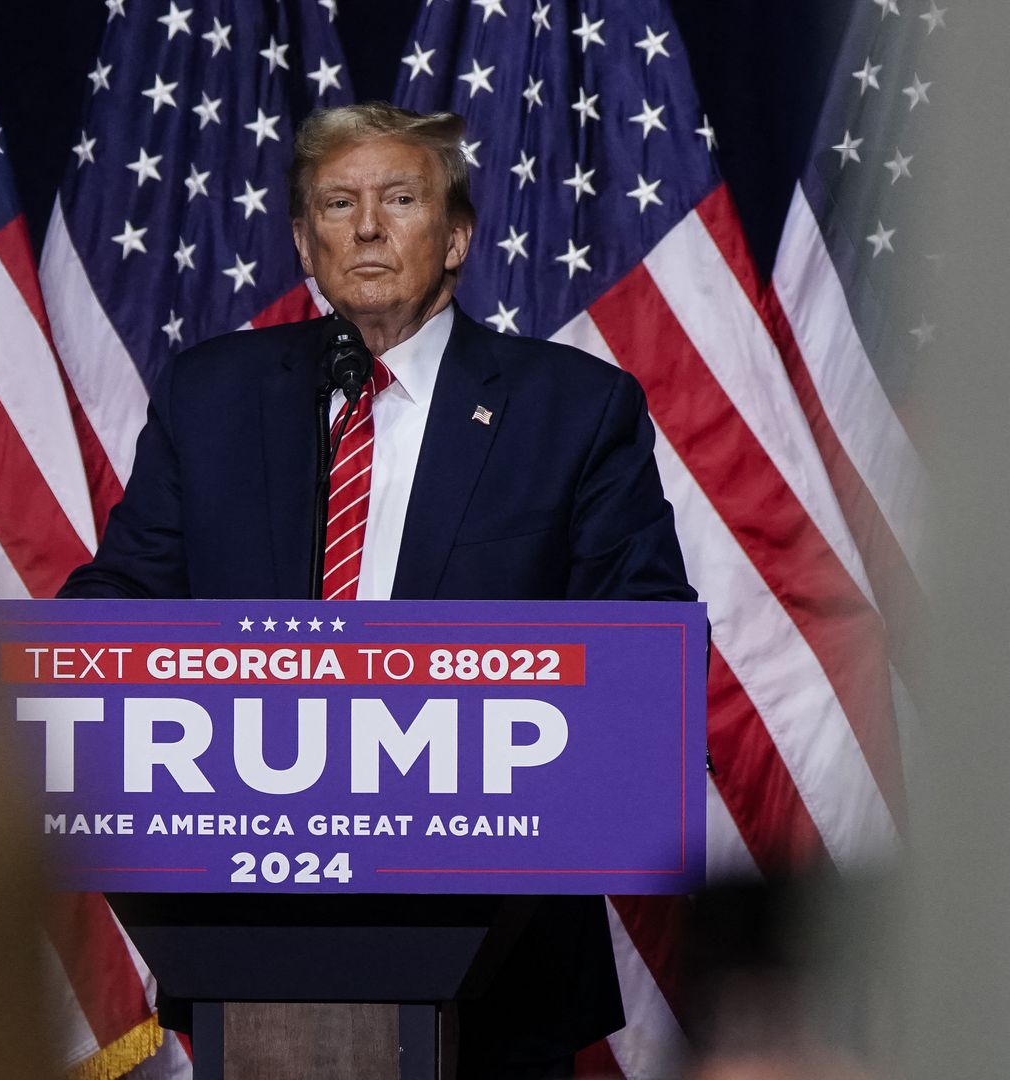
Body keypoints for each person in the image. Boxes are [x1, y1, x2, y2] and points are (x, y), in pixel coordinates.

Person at [61, 102, 697, 1078]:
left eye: (399, 199)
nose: (365, 226)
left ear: (455, 235)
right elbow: (124, 600)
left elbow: (640, 637)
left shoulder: (571, 406)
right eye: (337, 202)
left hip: (500, 947)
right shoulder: (213, 393)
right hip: (253, 917)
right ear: (303, 237)